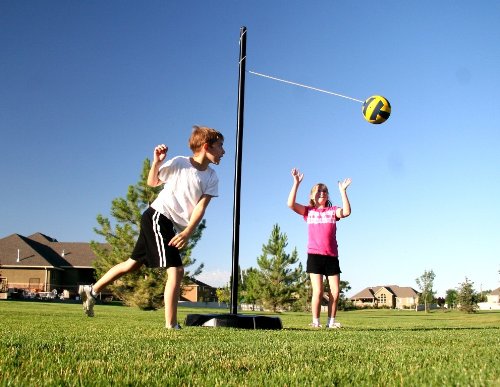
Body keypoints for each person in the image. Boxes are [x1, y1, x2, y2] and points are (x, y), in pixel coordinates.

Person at [78, 126, 225, 329]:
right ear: (206, 146)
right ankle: (171, 325)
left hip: (168, 223)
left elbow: (201, 207)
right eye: (220, 146)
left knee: (132, 264)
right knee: (177, 270)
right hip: (157, 216)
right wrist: (157, 161)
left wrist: (187, 231)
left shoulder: (212, 176)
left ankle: (91, 290)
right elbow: (152, 182)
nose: (223, 151)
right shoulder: (180, 163)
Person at [287, 168, 351, 328]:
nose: (322, 193)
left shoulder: (332, 211)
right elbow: (290, 204)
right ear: (312, 196)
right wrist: (296, 183)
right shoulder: (308, 212)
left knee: (335, 292)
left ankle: (331, 322)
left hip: (331, 256)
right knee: (318, 291)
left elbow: (347, 212)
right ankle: (315, 322)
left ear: (328, 195)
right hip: (315, 256)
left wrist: (343, 191)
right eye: (318, 191)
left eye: (325, 191)